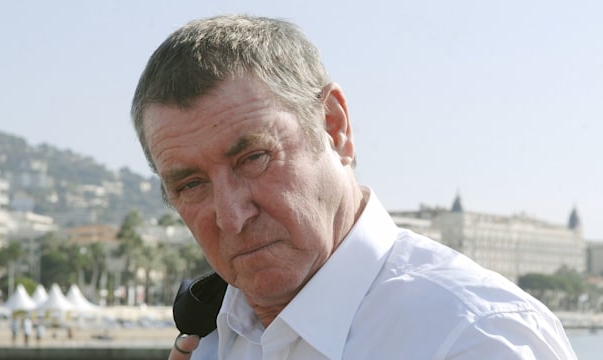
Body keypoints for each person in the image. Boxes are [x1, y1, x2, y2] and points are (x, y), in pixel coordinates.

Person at [131, 14, 577, 359]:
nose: (230, 216)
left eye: (253, 158)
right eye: (190, 184)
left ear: (334, 126)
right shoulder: (213, 332)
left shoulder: (474, 337)